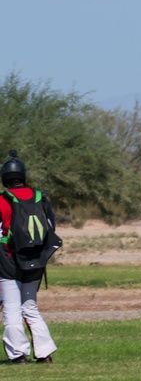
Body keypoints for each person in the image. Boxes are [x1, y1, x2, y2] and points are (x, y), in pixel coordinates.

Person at [0, 151, 57, 364]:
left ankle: (18, 355)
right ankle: (45, 354)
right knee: (30, 306)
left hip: (8, 261)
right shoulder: (41, 198)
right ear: (23, 175)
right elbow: (50, 229)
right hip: (36, 260)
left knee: (13, 308)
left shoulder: (2, 201)